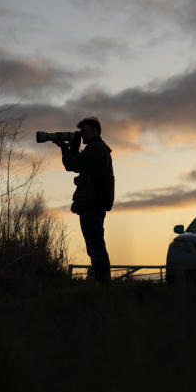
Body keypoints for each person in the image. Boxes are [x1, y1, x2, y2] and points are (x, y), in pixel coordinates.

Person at [54, 117, 114, 283]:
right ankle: (102, 281)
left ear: (95, 130)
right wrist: (73, 147)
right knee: (95, 246)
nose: (82, 135)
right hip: (93, 204)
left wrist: (64, 147)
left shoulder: (96, 149)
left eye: (84, 131)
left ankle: (103, 282)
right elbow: (78, 164)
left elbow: (71, 165)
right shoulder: (97, 149)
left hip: (92, 205)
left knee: (95, 247)